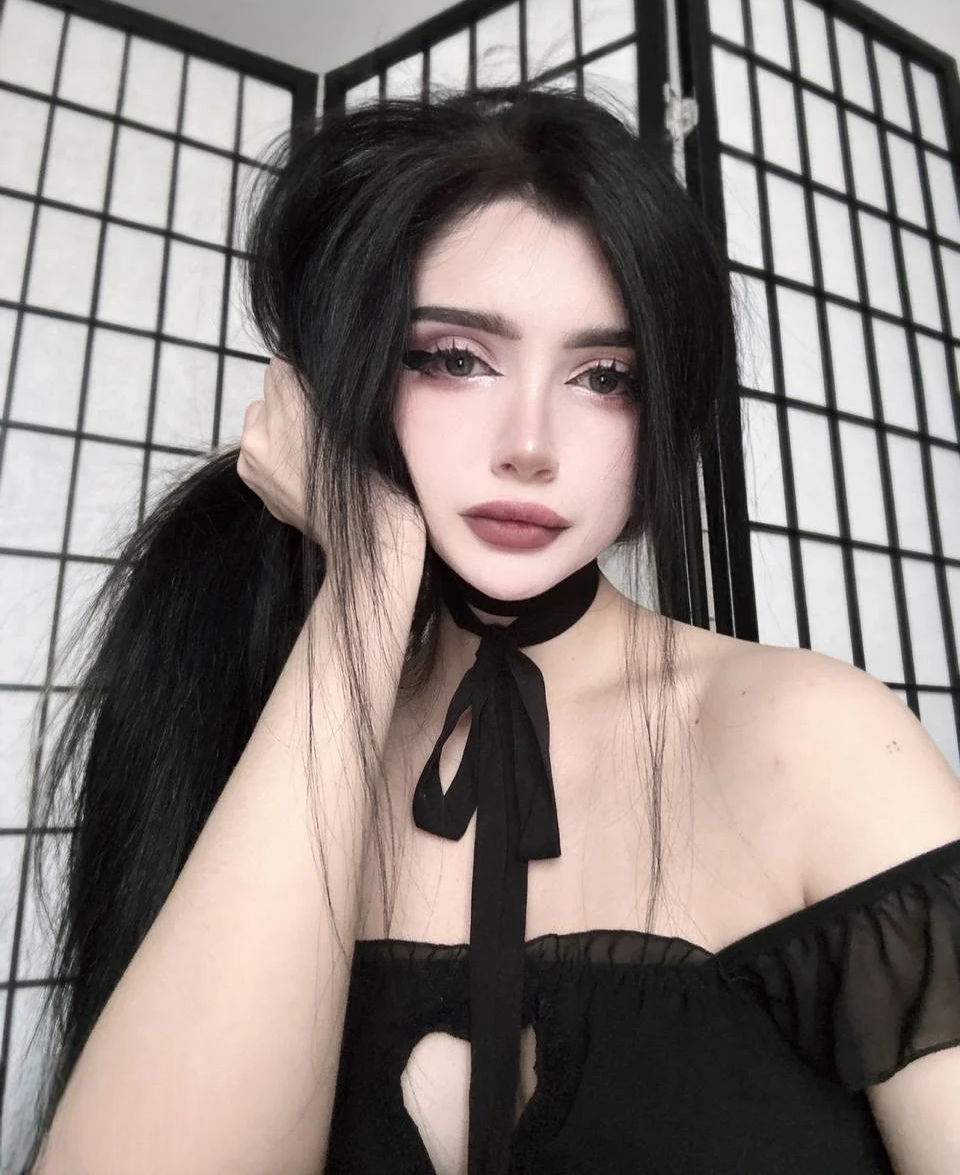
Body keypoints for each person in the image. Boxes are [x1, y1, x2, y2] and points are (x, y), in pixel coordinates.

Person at [19, 88, 960, 1175]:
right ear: (339, 383)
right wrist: (367, 581)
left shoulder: (818, 739)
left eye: (605, 377)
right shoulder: (241, 705)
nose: (530, 444)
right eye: (456, 357)